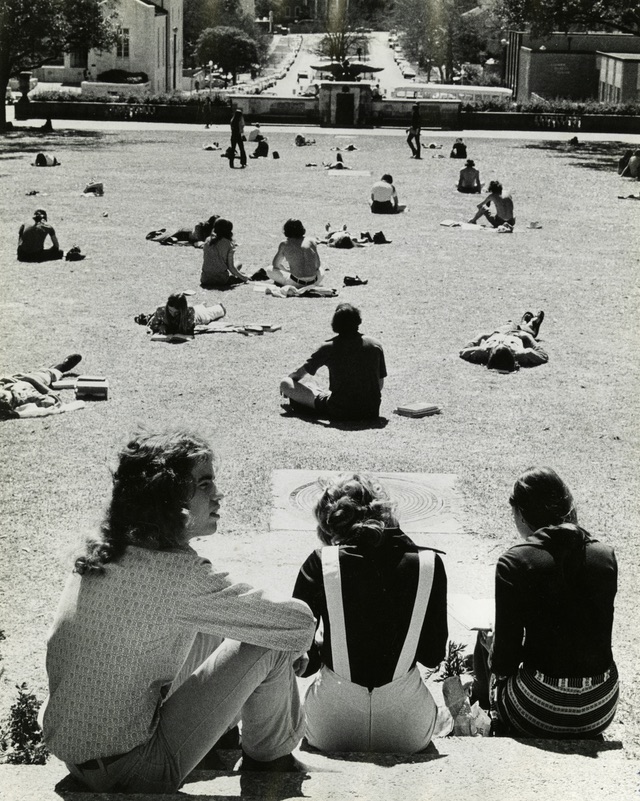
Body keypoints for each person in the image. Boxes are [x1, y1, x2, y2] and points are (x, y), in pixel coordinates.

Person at [41, 431, 315, 793]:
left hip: (80, 760)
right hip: (136, 771)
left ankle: (221, 742)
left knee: (225, 620)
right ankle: (272, 767)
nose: (219, 493)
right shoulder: (179, 577)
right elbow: (298, 622)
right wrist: (295, 646)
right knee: (271, 642)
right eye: (204, 484)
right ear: (169, 501)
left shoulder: (105, 552)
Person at [292, 474, 447, 753]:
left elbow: (301, 660)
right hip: (406, 725)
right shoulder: (428, 563)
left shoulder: (319, 563)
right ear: (384, 511)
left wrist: (325, 644)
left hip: (331, 722)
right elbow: (432, 655)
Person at [473, 467, 618, 739]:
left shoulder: (514, 562)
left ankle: (487, 717)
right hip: (601, 705)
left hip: (538, 707)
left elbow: (504, 663)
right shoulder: (605, 555)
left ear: (521, 514)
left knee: (485, 635)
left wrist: (493, 647)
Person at [280, 303, 386, 421]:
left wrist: (291, 383)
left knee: (286, 383)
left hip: (340, 409)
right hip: (370, 410)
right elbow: (379, 385)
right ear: (357, 320)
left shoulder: (329, 347)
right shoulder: (375, 345)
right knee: (311, 386)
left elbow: (298, 374)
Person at [0, 353, 82, 419]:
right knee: (46, 375)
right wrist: (49, 391)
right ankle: (61, 368)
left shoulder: (3, 388)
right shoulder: (26, 398)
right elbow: (51, 402)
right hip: (32, 382)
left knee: (38, 375)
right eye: (3, 398)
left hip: (14, 379)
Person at [459, 311, 547, 371]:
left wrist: (481, 336)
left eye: (497, 347)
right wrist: (528, 337)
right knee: (524, 330)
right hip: (518, 335)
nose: (501, 344)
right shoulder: (520, 354)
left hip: (499, 333)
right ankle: (531, 325)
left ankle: (525, 324)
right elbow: (543, 355)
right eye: (506, 347)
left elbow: (463, 351)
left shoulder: (484, 352)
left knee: (510, 324)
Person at [268, 219, 323, 288]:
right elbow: (317, 265)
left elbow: (276, 265)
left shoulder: (284, 244)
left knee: (269, 269)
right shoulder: (311, 241)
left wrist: (287, 271)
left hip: (295, 283)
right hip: (313, 282)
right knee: (321, 269)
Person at [200, 218, 249, 288]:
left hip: (205, 279)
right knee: (239, 264)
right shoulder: (228, 244)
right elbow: (231, 267)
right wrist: (243, 277)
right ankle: (240, 274)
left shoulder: (208, 241)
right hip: (221, 280)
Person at [146, 293, 226, 335]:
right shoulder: (161, 310)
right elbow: (153, 324)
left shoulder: (189, 311)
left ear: (182, 310)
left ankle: (215, 306)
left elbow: (187, 328)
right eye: (170, 311)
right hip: (193, 310)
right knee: (199, 308)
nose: (173, 314)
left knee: (213, 313)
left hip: (199, 316)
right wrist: (161, 326)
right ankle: (202, 305)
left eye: (176, 312)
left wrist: (167, 327)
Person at [147, 215, 218, 248]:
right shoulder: (200, 226)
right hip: (184, 233)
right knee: (164, 238)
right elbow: (199, 240)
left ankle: (160, 233)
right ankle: (158, 234)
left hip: (188, 237)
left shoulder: (214, 231)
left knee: (171, 238)